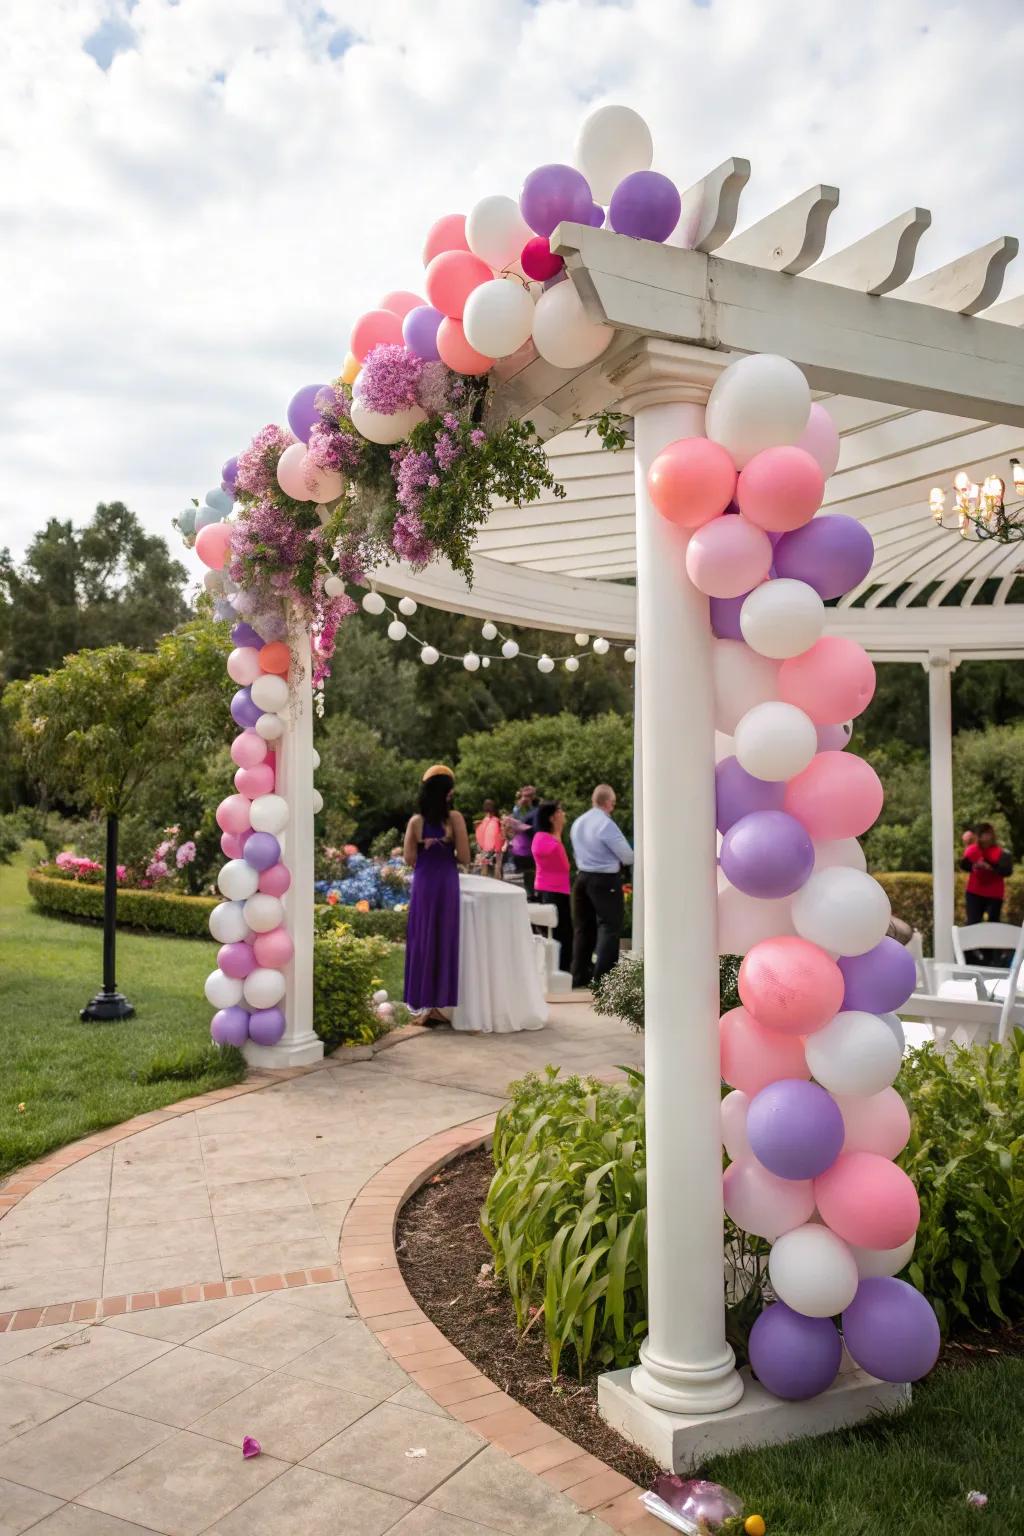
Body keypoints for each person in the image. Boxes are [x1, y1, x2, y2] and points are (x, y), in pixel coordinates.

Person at [403, 765, 470, 1025]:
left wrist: (426, 849)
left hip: (424, 883)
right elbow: (465, 857)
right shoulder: (454, 819)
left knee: (422, 936)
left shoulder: (415, 822)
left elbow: (409, 858)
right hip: (445, 883)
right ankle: (440, 1004)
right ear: (447, 792)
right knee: (443, 937)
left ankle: (423, 1005)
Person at [570, 784, 634, 989]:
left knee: (583, 928)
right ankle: (603, 978)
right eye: (613, 804)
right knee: (609, 926)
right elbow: (627, 856)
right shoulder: (605, 824)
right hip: (604, 879)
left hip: (581, 878)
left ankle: (579, 975)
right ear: (608, 802)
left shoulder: (578, 822)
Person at [960, 823, 1014, 964]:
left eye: (988, 834)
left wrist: (990, 866)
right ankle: (969, 956)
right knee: (973, 923)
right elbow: (964, 865)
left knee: (993, 923)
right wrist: (974, 864)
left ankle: (990, 957)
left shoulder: (1000, 852)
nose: (985, 837)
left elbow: (1006, 871)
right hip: (974, 891)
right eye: (982, 834)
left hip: (994, 893)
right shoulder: (973, 850)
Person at [532, 800, 572, 973]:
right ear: (552, 817)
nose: (563, 814)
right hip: (555, 890)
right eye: (559, 812)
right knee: (561, 933)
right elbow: (565, 866)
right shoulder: (550, 842)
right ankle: (561, 969)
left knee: (555, 932)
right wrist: (558, 834)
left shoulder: (540, 838)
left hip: (548, 888)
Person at [505, 785, 540, 900]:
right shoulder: (518, 809)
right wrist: (519, 806)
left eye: (529, 796)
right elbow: (517, 820)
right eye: (524, 796)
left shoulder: (536, 808)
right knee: (528, 870)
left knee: (535, 869)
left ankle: (537, 892)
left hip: (535, 840)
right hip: (524, 843)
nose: (526, 798)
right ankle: (530, 893)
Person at [474, 799, 506, 878]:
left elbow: (481, 834)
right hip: (496, 847)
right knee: (497, 865)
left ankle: (486, 880)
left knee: (485, 866)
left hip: (487, 847)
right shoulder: (497, 820)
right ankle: (498, 880)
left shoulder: (486, 820)